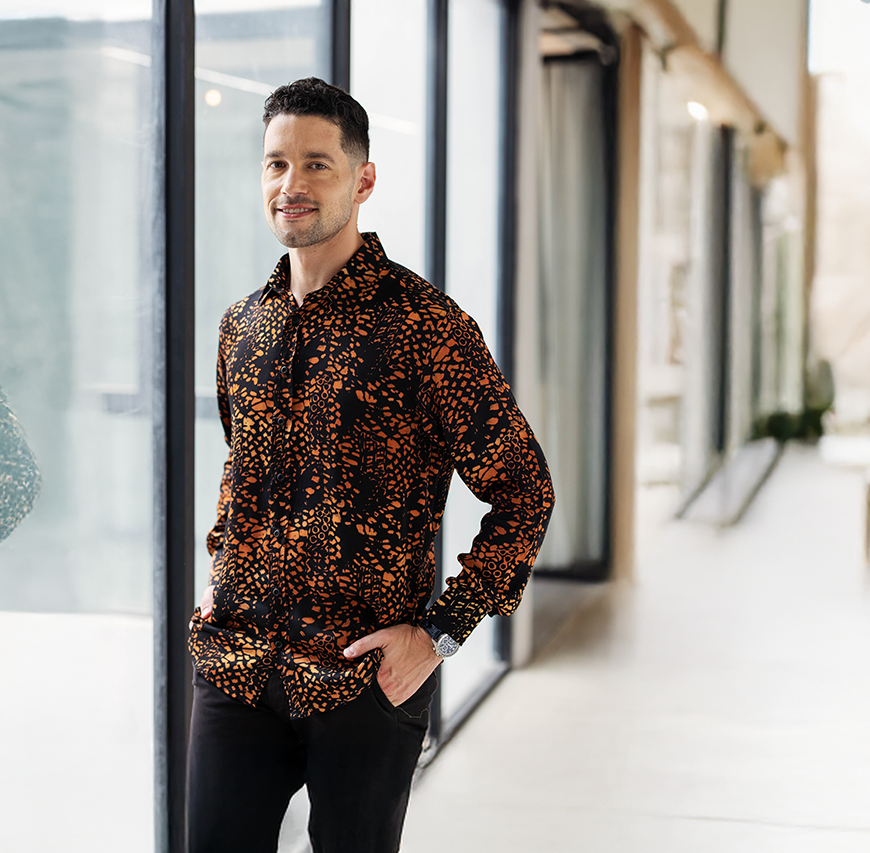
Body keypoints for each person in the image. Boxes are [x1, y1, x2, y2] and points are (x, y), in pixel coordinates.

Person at [186, 77, 554, 853]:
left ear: (364, 179)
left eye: (317, 164)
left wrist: (442, 632)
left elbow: (524, 490)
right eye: (275, 164)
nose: (292, 184)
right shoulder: (240, 329)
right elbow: (244, 481)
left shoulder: (427, 327)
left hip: (363, 679)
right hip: (238, 663)